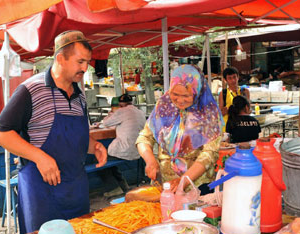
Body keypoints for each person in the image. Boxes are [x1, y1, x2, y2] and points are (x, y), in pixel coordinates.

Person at [0, 30, 107, 234]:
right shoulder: (31, 90)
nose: (85, 68)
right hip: (41, 191)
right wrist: (40, 157)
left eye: (87, 62)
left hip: (75, 187)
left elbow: (75, 137)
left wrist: (94, 146)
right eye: (80, 62)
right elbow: (0, 133)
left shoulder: (80, 96)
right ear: (60, 58)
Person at [136, 64, 223, 195]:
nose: (180, 100)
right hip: (165, 186)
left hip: (197, 186)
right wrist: (150, 161)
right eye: (175, 94)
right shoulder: (164, 106)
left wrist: (184, 180)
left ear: (197, 92)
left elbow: (209, 154)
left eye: (187, 96)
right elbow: (145, 137)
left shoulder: (208, 113)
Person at [101, 93, 146, 195]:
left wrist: (112, 113)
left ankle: (113, 189)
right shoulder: (140, 112)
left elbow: (105, 123)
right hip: (138, 151)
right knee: (110, 160)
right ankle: (123, 186)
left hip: (125, 150)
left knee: (100, 158)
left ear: (120, 105)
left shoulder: (121, 111)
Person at [219, 66, 250, 132]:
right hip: (228, 127)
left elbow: (248, 110)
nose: (233, 80)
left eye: (234, 77)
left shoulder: (245, 91)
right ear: (225, 80)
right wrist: (224, 112)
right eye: (229, 78)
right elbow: (220, 113)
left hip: (243, 126)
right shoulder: (223, 93)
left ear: (238, 77)